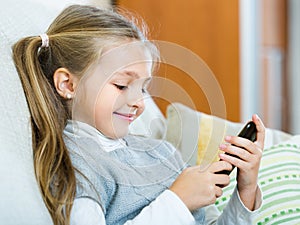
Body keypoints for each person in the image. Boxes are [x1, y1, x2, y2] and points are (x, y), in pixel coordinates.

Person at [12, 4, 265, 225]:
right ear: (68, 84)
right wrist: (178, 201)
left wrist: (246, 189)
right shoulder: (75, 166)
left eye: (143, 88)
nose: (138, 102)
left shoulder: (162, 153)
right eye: (122, 85)